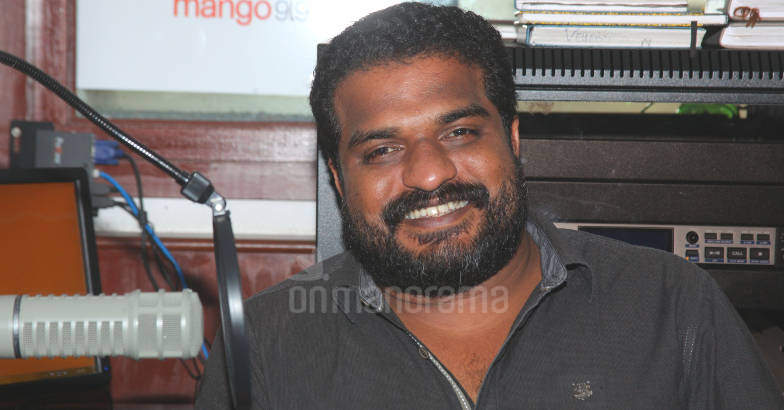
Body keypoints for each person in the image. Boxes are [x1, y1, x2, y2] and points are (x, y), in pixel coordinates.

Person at [196, 3, 783, 409]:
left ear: (513, 138)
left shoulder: (672, 308)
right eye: (382, 150)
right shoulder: (266, 346)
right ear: (337, 178)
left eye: (459, 133)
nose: (429, 173)